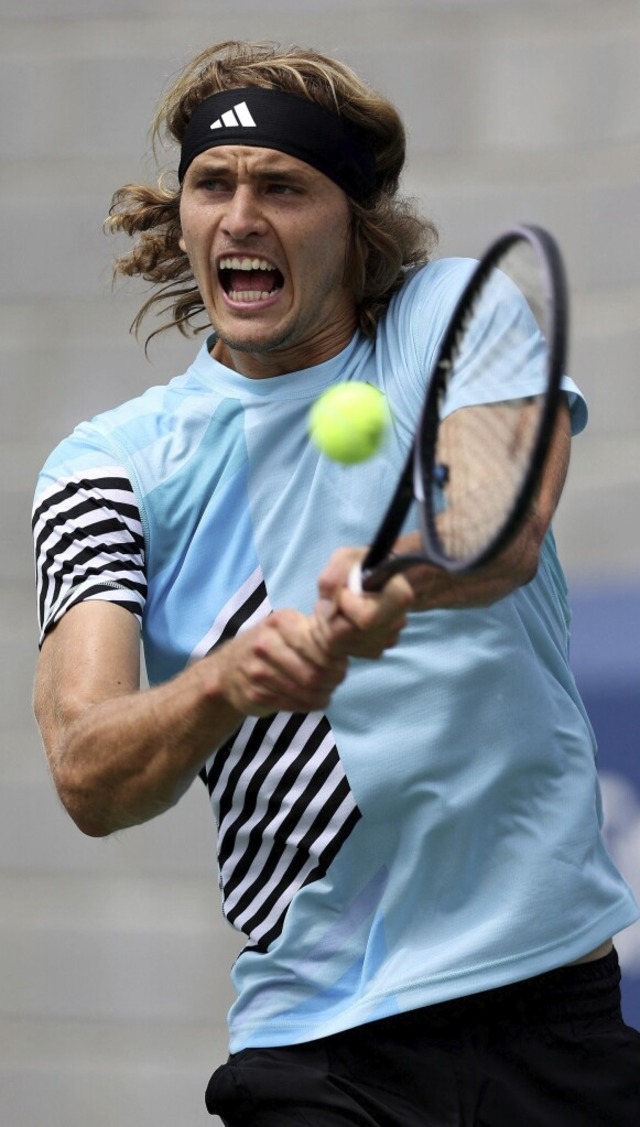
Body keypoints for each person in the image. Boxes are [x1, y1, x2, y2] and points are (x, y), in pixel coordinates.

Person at [32, 39, 640, 1127]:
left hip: (556, 1008)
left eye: (283, 187)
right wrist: (224, 681)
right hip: (319, 1044)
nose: (239, 216)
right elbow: (89, 770)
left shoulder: (449, 313)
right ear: (181, 216)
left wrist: (386, 582)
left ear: (355, 228)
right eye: (212, 185)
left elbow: (496, 524)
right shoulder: (107, 466)